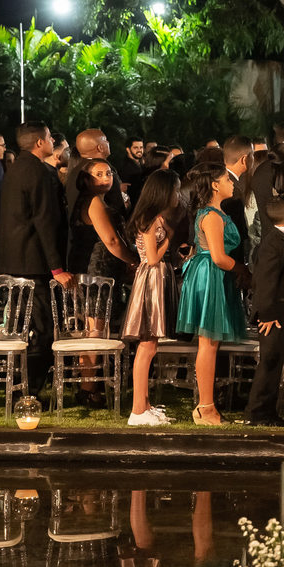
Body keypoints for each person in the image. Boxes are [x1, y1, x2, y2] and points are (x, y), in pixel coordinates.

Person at [0, 122, 73, 393]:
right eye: (50, 137)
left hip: (11, 260)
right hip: (32, 263)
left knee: (19, 327)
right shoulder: (38, 172)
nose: (52, 141)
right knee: (41, 330)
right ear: (40, 143)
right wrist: (56, 268)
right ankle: (29, 391)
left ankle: (18, 386)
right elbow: (44, 221)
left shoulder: (14, 169)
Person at [175, 163, 247, 425]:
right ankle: (205, 407)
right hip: (211, 275)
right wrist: (243, 270)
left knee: (210, 343)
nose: (232, 183)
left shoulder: (215, 212)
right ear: (215, 185)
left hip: (211, 274)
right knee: (208, 343)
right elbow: (218, 257)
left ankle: (206, 406)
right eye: (227, 179)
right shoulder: (212, 216)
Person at [66, 158, 139, 407]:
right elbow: (111, 240)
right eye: (99, 174)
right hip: (96, 271)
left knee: (95, 327)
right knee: (94, 328)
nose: (106, 178)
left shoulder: (93, 201)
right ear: (86, 179)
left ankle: (91, 385)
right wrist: (133, 261)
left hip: (99, 270)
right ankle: (89, 388)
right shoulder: (94, 201)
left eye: (109, 172)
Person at [121, 170, 181, 426]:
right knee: (146, 345)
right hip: (151, 278)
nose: (178, 195)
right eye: (176, 190)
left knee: (151, 346)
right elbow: (153, 257)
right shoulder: (150, 220)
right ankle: (137, 410)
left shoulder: (156, 217)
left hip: (158, 277)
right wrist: (169, 238)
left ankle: (144, 405)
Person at [244, 197, 284, 426]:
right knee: (269, 361)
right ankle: (256, 412)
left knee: (275, 360)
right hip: (273, 313)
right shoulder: (273, 242)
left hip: (281, 310)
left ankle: (268, 411)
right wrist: (267, 314)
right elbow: (266, 281)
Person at [117, 136, 145, 203]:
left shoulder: (142, 163)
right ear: (128, 150)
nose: (139, 150)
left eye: (141, 147)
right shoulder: (125, 167)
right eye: (136, 148)